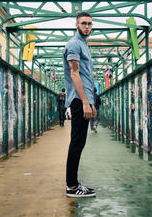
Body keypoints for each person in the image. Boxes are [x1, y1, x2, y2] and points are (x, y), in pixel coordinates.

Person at [63, 12, 97, 198]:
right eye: (83, 23)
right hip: (78, 100)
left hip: (84, 99)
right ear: (76, 24)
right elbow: (75, 75)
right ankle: (71, 186)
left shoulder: (83, 45)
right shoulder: (75, 44)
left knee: (79, 142)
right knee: (76, 142)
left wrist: (91, 102)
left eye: (90, 24)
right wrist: (84, 101)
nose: (87, 27)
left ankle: (74, 183)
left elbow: (86, 76)